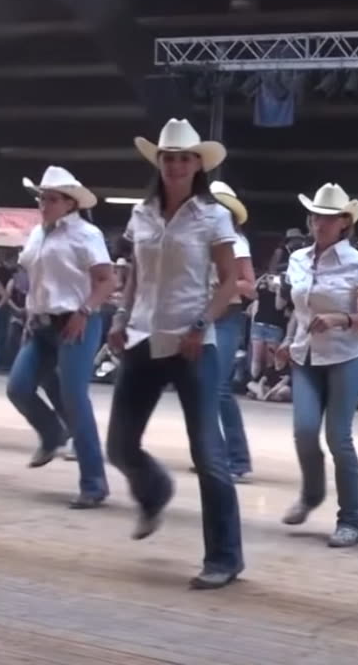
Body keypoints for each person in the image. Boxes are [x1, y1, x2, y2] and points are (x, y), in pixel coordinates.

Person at [106, 118, 243, 589]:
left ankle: (224, 557)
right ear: (159, 162)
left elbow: (230, 281)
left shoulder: (213, 215)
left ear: (197, 165)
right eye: (168, 157)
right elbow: (136, 277)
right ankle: (155, 490)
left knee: (208, 454)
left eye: (184, 158)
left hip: (192, 343)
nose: (176, 165)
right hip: (143, 335)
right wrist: (121, 318)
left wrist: (203, 323)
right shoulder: (142, 213)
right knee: (119, 444)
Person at [278, 182, 358, 548]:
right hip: (305, 355)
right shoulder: (297, 259)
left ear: (344, 222)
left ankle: (351, 519)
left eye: (327, 217)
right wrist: (287, 339)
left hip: (346, 357)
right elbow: (300, 309)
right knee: (305, 431)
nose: (318, 222)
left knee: (338, 438)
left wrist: (340, 319)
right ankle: (311, 494)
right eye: (315, 215)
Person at [9, 166, 115, 508]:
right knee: (18, 387)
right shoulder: (38, 233)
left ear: (70, 203)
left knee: (74, 398)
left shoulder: (86, 234)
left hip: (76, 320)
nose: (44, 203)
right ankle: (53, 432)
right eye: (42, 198)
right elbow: (36, 279)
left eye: (51, 199)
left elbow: (106, 280)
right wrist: (30, 312)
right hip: (41, 323)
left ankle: (94, 483)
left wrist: (84, 312)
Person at [208, 181, 258, 483]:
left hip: (226, 316)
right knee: (204, 388)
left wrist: (219, 285)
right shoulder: (201, 239)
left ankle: (237, 460)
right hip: (203, 315)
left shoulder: (237, 243)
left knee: (219, 388)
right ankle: (214, 455)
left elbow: (249, 286)